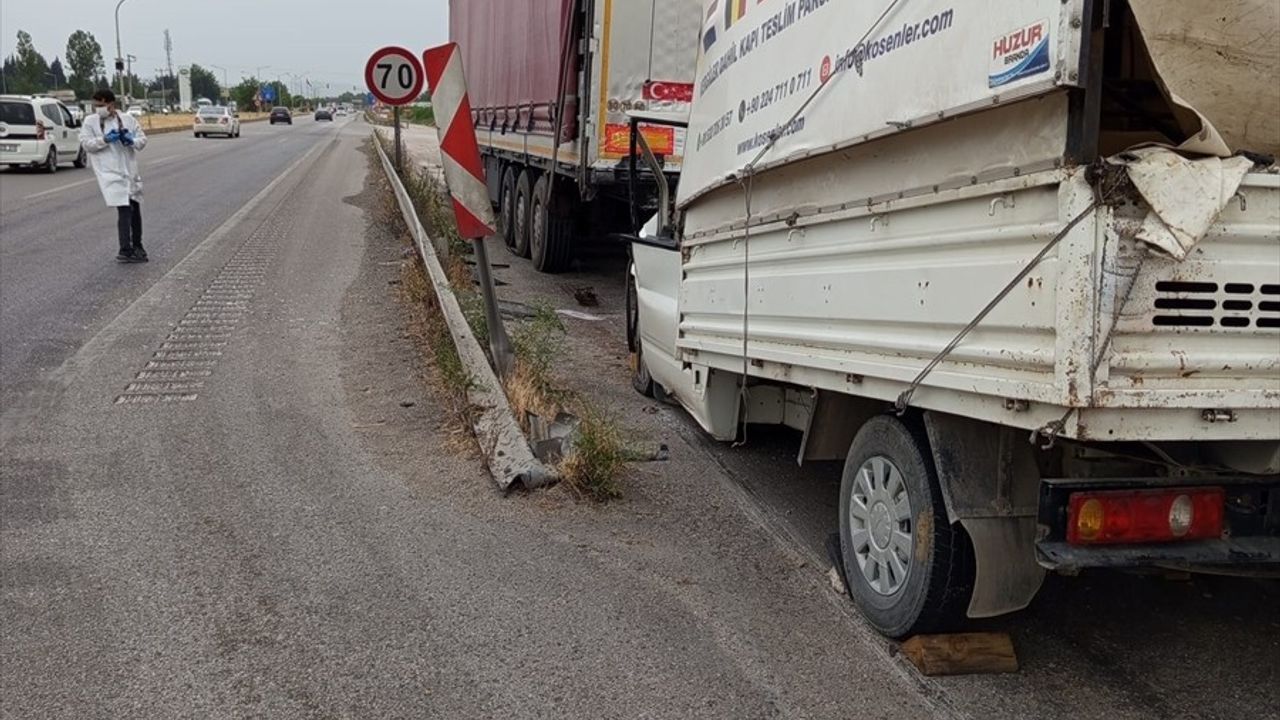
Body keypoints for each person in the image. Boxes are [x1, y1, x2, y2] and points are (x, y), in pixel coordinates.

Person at [80, 88, 149, 263]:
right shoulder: (91, 122)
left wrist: (130, 140)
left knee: (134, 209)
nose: (98, 109)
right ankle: (126, 248)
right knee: (124, 209)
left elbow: (142, 140)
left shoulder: (127, 119)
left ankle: (137, 246)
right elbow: (87, 144)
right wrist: (104, 140)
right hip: (110, 173)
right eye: (96, 105)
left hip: (129, 171)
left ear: (111, 104)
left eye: (101, 105)